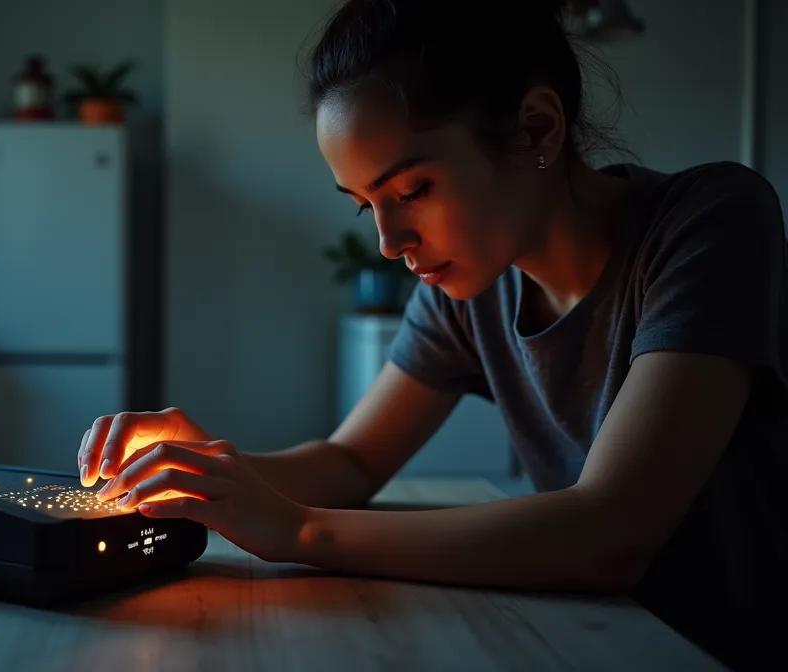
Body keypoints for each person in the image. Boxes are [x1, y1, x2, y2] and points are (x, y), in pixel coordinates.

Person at [74, 0, 787, 668]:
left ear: (538, 127)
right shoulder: (470, 284)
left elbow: (609, 532)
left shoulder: (710, 220)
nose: (389, 242)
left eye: (413, 190)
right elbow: (351, 463)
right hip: (601, 641)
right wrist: (212, 468)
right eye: (365, 207)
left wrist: (298, 532)